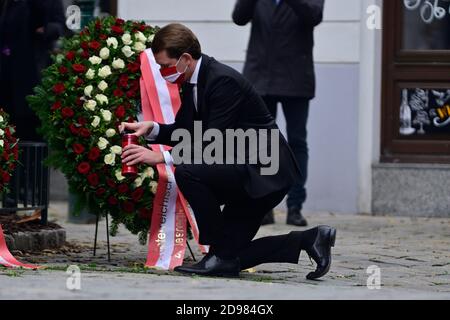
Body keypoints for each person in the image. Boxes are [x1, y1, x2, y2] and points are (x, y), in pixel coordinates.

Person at [120, 23, 336, 279]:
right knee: (228, 260)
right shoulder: (194, 80)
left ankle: (217, 249)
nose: (162, 72)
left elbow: (212, 141)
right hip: (243, 171)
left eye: (165, 66)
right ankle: (311, 239)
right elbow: (185, 130)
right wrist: (152, 128)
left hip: (264, 172)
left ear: (185, 59)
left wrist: (162, 156)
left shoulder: (222, 80)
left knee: (188, 172)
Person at [232, 0, 325, 227]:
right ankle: (264, 205)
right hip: (260, 78)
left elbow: (313, 16)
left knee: (296, 141)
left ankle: (295, 206)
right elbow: (239, 17)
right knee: (262, 142)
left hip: (296, 78)